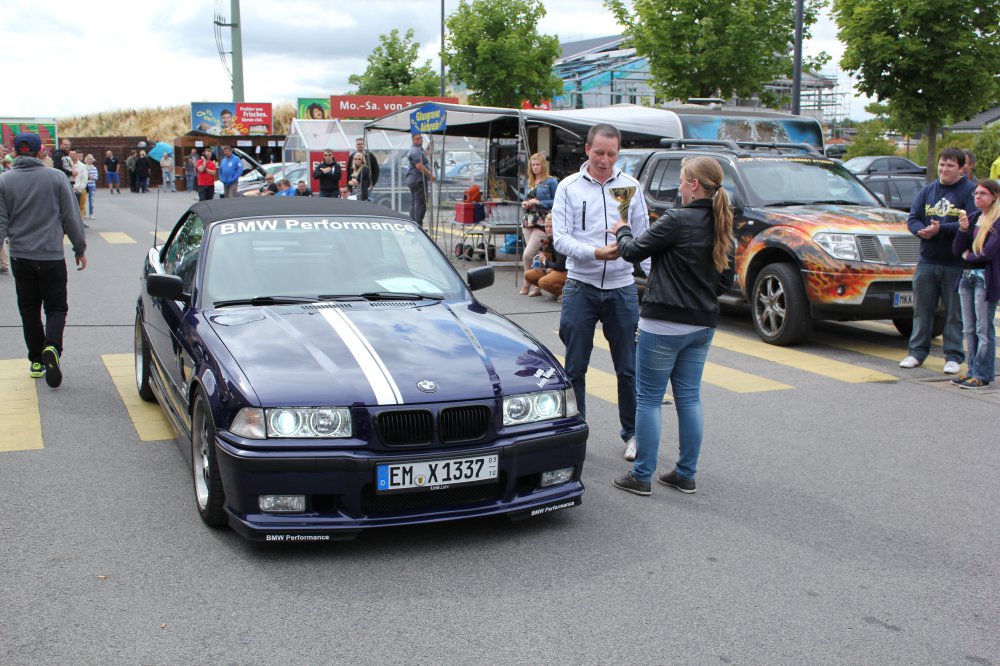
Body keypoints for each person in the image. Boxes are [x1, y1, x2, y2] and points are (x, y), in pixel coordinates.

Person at [609, 157, 735, 496]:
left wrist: (620, 229)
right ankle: (685, 473)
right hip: (702, 323)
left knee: (648, 398)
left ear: (694, 184)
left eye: (682, 180)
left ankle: (641, 475)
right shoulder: (722, 222)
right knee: (690, 398)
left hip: (663, 322)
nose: (679, 186)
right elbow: (726, 279)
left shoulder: (678, 219)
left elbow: (633, 250)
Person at [552, 123, 649, 461]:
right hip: (581, 285)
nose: (605, 160)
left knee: (628, 368)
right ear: (587, 150)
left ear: (618, 153)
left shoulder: (631, 186)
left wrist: (652, 284)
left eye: (611, 154)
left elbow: (644, 238)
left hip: (622, 288)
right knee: (575, 366)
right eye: (599, 153)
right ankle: (575, 432)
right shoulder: (568, 187)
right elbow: (560, 238)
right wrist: (594, 253)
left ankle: (633, 433)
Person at [0, 132, 87, 387]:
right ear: (41, 153)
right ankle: (52, 347)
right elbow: (71, 217)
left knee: (29, 309)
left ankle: (36, 360)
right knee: (56, 307)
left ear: (15, 153)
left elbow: (1, 221)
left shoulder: (4, 181)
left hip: (20, 256)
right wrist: (79, 248)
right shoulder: (57, 177)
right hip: (50, 256)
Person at [899, 147, 977, 373]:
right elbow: (913, 218)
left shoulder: (969, 192)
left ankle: (953, 356)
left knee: (954, 313)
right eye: (942, 164)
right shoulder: (929, 190)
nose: (944, 169)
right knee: (922, 309)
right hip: (927, 261)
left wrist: (940, 229)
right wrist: (920, 230)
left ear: (962, 168)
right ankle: (916, 353)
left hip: (954, 263)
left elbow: (969, 224)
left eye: (950, 165)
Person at [951, 180, 1000, 389]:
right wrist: (962, 231)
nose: (978, 197)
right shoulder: (972, 218)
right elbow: (956, 250)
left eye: (983, 194)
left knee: (983, 328)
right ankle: (971, 371)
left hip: (984, 278)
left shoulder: (997, 221)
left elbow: (988, 252)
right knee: (969, 328)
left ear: (995, 197)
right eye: (976, 194)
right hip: (966, 277)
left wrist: (967, 256)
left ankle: (983, 374)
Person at [520, 152, 559, 296]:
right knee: (535, 255)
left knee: (527, 254)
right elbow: (526, 198)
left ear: (543, 165)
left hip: (543, 223)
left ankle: (528, 282)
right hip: (528, 221)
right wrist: (525, 203)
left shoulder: (550, 181)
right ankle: (536, 286)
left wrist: (540, 202)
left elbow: (558, 201)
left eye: (538, 164)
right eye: (533, 165)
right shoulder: (529, 181)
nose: (535, 167)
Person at [523, 213, 567, 299]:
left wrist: (545, 261)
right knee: (528, 274)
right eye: (546, 227)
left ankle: (566, 293)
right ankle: (555, 290)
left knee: (543, 282)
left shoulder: (561, 241)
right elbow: (549, 262)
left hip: (566, 272)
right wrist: (546, 269)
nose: (548, 229)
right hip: (555, 269)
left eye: (551, 227)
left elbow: (560, 266)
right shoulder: (549, 240)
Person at [405, 132, 435, 226]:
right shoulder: (415, 150)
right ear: (413, 140)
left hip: (414, 179)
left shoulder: (417, 149)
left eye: (421, 138)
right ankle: (417, 225)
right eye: (417, 138)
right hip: (418, 179)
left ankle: (413, 224)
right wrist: (430, 175)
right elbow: (419, 166)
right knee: (420, 204)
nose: (420, 140)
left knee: (415, 203)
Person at [70, 151, 89, 224]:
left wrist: (80, 188)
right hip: (70, 189)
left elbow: (85, 178)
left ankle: (80, 223)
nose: (73, 156)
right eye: (71, 154)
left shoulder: (82, 166)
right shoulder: (66, 165)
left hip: (79, 189)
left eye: (74, 154)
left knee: (81, 206)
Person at [85, 154, 98, 220]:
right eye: (89, 159)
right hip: (85, 185)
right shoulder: (84, 167)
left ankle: (91, 213)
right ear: (86, 160)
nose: (90, 161)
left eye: (91, 159)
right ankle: (84, 213)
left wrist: (91, 176)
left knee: (91, 199)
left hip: (92, 185)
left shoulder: (94, 168)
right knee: (84, 199)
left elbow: (96, 177)